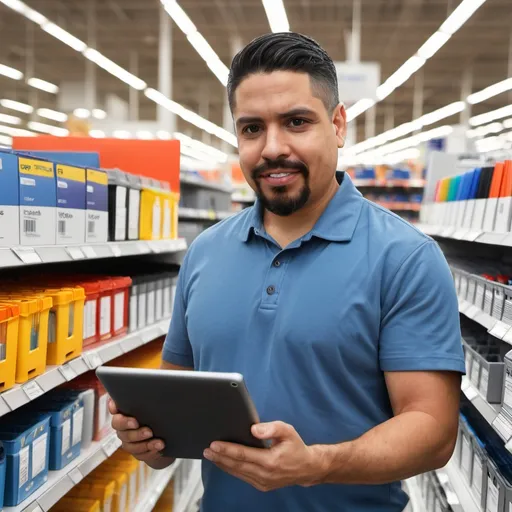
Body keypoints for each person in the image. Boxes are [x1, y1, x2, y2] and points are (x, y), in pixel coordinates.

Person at [109, 32, 464, 511]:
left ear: (338, 125)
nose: (273, 148)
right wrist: (147, 439)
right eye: (252, 129)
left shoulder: (405, 258)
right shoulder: (205, 252)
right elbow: (176, 408)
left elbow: (433, 430)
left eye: (296, 122)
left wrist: (318, 464)